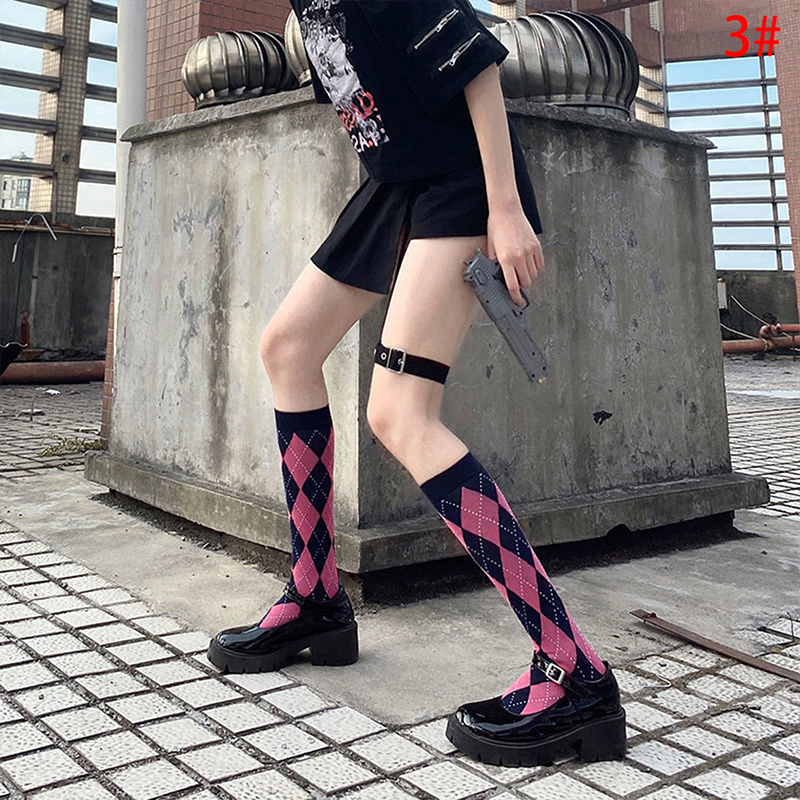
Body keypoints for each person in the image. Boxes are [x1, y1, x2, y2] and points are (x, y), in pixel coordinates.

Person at [207, 0, 626, 767]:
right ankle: (316, 598)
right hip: (398, 186)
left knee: (401, 412)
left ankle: (576, 673)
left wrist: (504, 206)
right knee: (288, 349)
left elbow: (475, 61)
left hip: (461, 181)